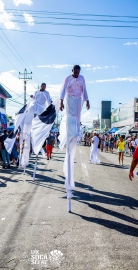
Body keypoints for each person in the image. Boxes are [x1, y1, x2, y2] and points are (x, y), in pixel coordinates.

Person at [59, 65, 90, 198]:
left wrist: (87, 101)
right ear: (72, 71)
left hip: (79, 100)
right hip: (70, 99)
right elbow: (62, 90)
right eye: (75, 72)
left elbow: (85, 90)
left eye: (78, 72)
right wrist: (61, 102)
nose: (77, 74)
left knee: (77, 119)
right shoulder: (67, 78)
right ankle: (70, 132)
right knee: (71, 117)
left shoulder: (82, 78)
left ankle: (76, 131)